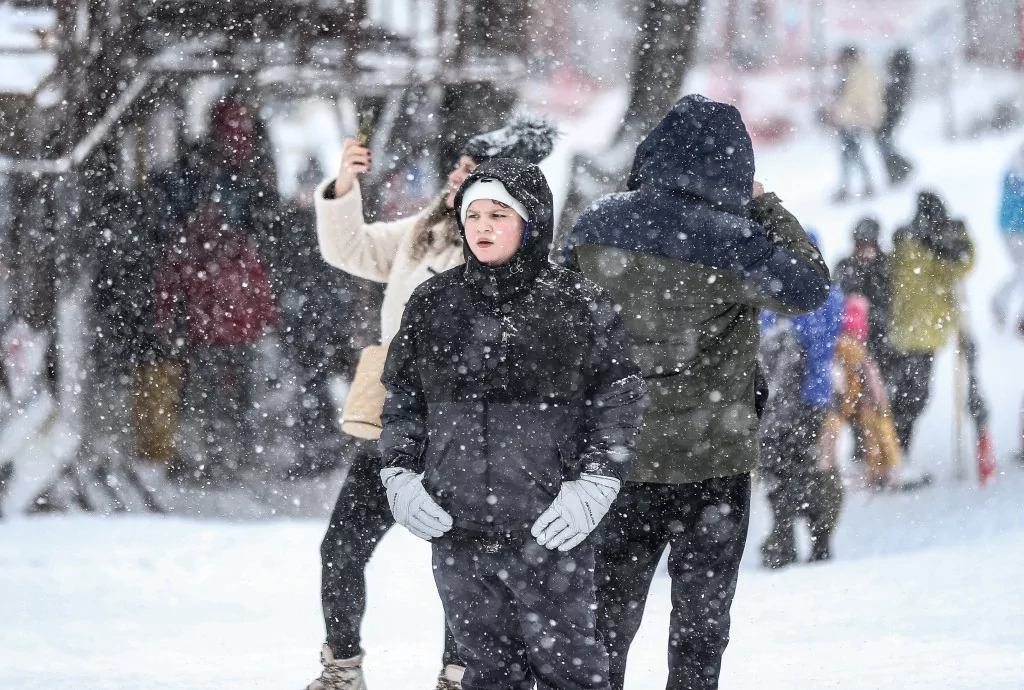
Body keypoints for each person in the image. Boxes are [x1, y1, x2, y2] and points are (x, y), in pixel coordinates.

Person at [566, 94, 831, 690]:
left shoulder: (599, 224)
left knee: (603, 626)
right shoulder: (735, 241)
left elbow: (561, 322)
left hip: (616, 462)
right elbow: (810, 285)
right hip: (713, 464)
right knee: (699, 631)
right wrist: (768, 207)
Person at [310, 115, 558, 690]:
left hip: (462, 431)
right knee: (342, 547)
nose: (455, 177)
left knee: (463, 564)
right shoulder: (429, 228)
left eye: (469, 171)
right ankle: (341, 668)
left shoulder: (519, 261)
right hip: (392, 420)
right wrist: (345, 186)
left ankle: (458, 673)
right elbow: (353, 248)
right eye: (458, 166)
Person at [380, 158, 648, 690]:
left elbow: (618, 398)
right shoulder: (434, 302)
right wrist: (400, 474)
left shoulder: (577, 302)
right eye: (473, 214)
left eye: (499, 214)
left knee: (569, 670)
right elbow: (404, 401)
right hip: (458, 531)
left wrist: (597, 481)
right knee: (487, 672)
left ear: (532, 222)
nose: (482, 226)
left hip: (550, 527)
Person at [758, 250, 844, 568]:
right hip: (802, 401)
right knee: (805, 470)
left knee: (791, 470)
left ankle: (789, 541)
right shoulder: (819, 294)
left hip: (795, 402)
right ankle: (810, 540)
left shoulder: (792, 296)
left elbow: (816, 344)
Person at [887, 192, 974, 457]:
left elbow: (961, 267)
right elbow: (959, 266)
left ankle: (894, 452)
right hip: (911, 331)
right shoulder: (911, 242)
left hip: (918, 332)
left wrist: (958, 243)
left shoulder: (923, 241)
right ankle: (893, 453)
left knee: (908, 396)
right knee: (908, 396)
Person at [820, 295, 903, 489]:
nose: (853, 343)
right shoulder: (863, 363)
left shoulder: (839, 361)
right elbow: (880, 406)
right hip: (850, 399)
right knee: (874, 424)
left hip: (842, 400)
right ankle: (881, 469)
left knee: (832, 430)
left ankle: (826, 471)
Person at [828, 46, 883, 202]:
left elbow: (855, 99)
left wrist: (842, 116)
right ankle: (859, 185)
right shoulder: (859, 70)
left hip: (854, 119)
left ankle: (850, 186)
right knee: (852, 153)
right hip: (853, 119)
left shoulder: (857, 72)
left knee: (850, 154)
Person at [835, 217, 892, 365]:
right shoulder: (845, 267)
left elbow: (888, 302)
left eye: (867, 244)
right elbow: (837, 300)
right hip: (850, 343)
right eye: (859, 244)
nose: (863, 250)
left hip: (881, 343)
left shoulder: (884, 267)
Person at [992, 145, 1024, 330]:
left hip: (1011, 227)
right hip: (1014, 229)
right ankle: (1001, 303)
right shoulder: (1016, 170)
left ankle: (1000, 302)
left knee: (1021, 270)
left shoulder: (1013, 168)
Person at [876, 48, 914, 184]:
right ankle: (899, 170)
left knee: (885, 145)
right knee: (885, 145)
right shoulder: (903, 79)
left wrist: (883, 114)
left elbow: (891, 101)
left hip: (889, 117)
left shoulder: (898, 81)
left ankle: (899, 170)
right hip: (892, 116)